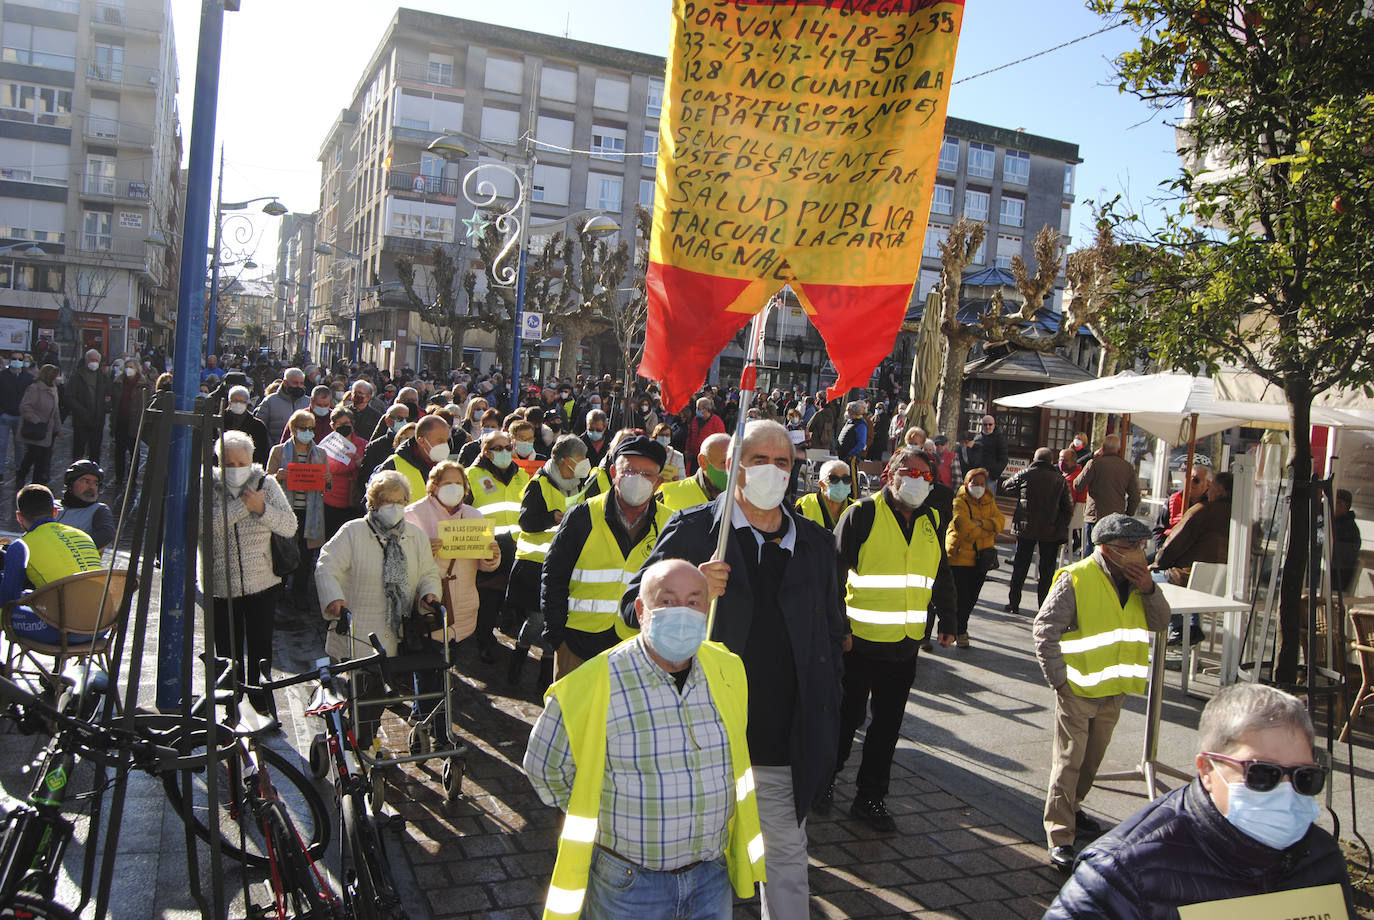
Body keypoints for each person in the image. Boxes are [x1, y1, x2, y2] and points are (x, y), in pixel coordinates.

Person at [622, 420, 845, 920]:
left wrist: (828, 710)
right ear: (733, 466)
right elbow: (629, 607)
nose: (771, 471)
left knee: (786, 860)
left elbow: (831, 633)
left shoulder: (814, 542)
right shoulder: (698, 529)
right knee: (699, 868)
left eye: (782, 462)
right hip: (701, 739)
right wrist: (687, 592)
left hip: (782, 742)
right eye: (759, 460)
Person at [524, 560, 765, 920]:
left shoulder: (728, 670)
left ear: (708, 607)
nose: (681, 612)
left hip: (710, 877)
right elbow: (544, 768)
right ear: (641, 610)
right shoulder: (590, 685)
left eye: (694, 601)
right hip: (630, 884)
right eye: (667, 602)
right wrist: (597, 805)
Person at [1045, 682, 1354, 918]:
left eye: (1304, 777)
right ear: (1207, 770)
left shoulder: (1322, 859)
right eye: (1263, 774)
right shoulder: (1122, 873)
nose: (1286, 794)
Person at [1033, 513, 1171, 871]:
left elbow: (1161, 623)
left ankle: (1074, 809)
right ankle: (1060, 835)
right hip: (1078, 688)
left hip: (1114, 689)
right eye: (1130, 548)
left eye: (1142, 546)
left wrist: (1150, 590)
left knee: (1091, 763)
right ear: (1108, 550)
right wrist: (1059, 682)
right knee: (1069, 762)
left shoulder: (1140, 581)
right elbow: (1044, 631)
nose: (1140, 554)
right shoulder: (1076, 578)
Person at [829, 447, 957, 829]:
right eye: (909, 471)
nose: (916, 480)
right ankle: (823, 780)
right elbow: (831, 577)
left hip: (904, 646)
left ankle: (871, 799)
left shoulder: (932, 519)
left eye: (925, 475)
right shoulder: (862, 514)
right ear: (890, 473)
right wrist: (841, 629)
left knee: (887, 727)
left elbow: (941, 574)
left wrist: (949, 619)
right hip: (859, 643)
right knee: (846, 718)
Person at [316, 470, 442, 745]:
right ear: (373, 501)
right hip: (359, 628)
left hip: (398, 630)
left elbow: (428, 572)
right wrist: (334, 598)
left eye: (400, 500)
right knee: (368, 690)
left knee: (382, 690)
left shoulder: (415, 536)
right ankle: (363, 743)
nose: (394, 506)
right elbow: (327, 565)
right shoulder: (353, 532)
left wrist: (430, 594)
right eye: (387, 500)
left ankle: (361, 736)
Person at [542, 435, 669, 679]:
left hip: (639, 650)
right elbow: (554, 576)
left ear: (658, 482)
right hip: (577, 646)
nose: (637, 479)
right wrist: (557, 637)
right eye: (629, 471)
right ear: (613, 472)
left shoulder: (669, 523)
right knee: (572, 715)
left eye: (647, 474)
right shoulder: (583, 515)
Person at [202, 431, 296, 720]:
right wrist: (244, 506)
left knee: (260, 648)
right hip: (220, 585)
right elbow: (206, 526)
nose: (235, 467)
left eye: (240, 462)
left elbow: (289, 525)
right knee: (226, 652)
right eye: (228, 463)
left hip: (262, 581)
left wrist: (262, 509)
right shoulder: (207, 486)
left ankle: (262, 705)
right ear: (219, 462)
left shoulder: (265, 484)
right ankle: (230, 708)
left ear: (251, 460)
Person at [507, 434, 590, 691]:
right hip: (535, 565)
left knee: (554, 621)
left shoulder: (578, 483)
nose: (584, 464)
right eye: (580, 459)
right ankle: (517, 662)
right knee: (537, 621)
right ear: (565, 461)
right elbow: (526, 522)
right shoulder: (539, 483)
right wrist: (552, 517)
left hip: (565, 565)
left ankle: (545, 676)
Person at [404, 461, 500, 647]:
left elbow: (484, 564)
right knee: (430, 664)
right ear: (434, 485)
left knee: (454, 655)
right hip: (430, 605)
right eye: (448, 483)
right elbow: (402, 562)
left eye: (459, 483)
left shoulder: (475, 516)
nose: (454, 488)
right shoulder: (412, 514)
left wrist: (492, 557)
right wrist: (423, 552)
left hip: (465, 605)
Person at [0, 485, 103, 646]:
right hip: (102, 625)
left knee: (5, 610)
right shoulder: (83, 535)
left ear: (19, 517)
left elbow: (7, 601)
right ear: (55, 511)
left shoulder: (21, 546)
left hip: (64, 631)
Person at [466, 428, 532, 661]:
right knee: (488, 599)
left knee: (512, 597)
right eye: (498, 448)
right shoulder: (471, 476)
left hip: (516, 546)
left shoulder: (521, 476)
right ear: (486, 451)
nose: (504, 452)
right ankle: (484, 640)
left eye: (507, 447)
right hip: (487, 546)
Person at [1156, 471, 1233, 645]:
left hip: (1188, 579)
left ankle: (1179, 628)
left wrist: (1156, 564)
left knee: (1145, 580)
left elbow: (1172, 545)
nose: (1208, 490)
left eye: (1210, 486)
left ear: (1219, 490)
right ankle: (1191, 626)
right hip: (1221, 582)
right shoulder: (1239, 516)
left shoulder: (1202, 510)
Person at [266, 409, 331, 610]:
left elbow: (326, 484)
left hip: (310, 513)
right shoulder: (278, 451)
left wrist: (327, 481)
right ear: (294, 429)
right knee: (283, 550)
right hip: (286, 511)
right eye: (304, 428)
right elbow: (267, 481)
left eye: (311, 429)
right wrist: (278, 476)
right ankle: (280, 589)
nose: (308, 432)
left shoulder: (320, 453)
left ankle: (299, 593)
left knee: (305, 553)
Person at [1004, 447, 1073, 615]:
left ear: (1035, 459)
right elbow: (1068, 506)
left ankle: (1014, 603)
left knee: (1020, 566)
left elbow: (1006, 486)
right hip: (1050, 530)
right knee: (1047, 570)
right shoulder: (1059, 480)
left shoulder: (1026, 474)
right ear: (1051, 461)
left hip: (1025, 527)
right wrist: (1061, 524)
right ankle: (1044, 605)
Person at [945, 468, 1006, 647]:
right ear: (967, 484)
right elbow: (963, 528)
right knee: (960, 597)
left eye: (981, 484)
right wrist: (988, 528)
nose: (978, 487)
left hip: (982, 558)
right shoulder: (958, 502)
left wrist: (980, 523)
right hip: (959, 557)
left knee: (972, 598)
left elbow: (1001, 522)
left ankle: (959, 627)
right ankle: (959, 630)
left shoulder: (989, 500)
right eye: (974, 484)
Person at [1074, 434, 1141, 549]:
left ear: (1103, 447)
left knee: (1092, 551)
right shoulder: (1127, 467)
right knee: (1111, 552)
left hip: (1095, 515)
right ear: (1118, 449)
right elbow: (1135, 495)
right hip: (1116, 517)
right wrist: (1128, 512)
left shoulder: (1094, 464)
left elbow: (1078, 485)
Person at [377, 414, 451, 503]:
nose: (445, 445)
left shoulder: (447, 469)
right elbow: (376, 505)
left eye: (446, 440)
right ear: (421, 441)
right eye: (440, 441)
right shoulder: (393, 466)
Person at [320, 406, 367, 538]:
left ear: (352, 424)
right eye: (339, 424)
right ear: (333, 426)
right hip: (332, 500)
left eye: (346, 423)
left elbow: (368, 465)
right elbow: (330, 466)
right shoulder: (326, 445)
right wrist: (354, 463)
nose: (343, 427)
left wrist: (361, 463)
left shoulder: (363, 444)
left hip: (355, 499)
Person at [658, 431, 729, 512]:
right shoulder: (669, 495)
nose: (731, 469)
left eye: (736, 463)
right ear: (703, 462)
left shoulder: (742, 498)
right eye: (724, 462)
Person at [16, 364, 62, 488]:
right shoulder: (34, 388)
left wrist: (58, 428)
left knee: (43, 457)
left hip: (48, 430)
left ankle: (38, 483)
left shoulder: (54, 389)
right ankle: (21, 475)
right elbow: (25, 407)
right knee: (32, 454)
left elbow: (55, 411)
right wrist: (36, 420)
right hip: (35, 429)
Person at [55, 460, 115, 551]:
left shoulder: (99, 510)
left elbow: (106, 535)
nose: (92, 487)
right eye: (86, 482)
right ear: (71, 484)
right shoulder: (52, 505)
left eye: (95, 483)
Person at [1153, 463, 1210, 554]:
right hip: (1168, 552)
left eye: (1195, 480)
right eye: (1188, 478)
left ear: (1208, 484)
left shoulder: (1211, 506)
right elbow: (1158, 530)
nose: (1190, 483)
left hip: (1195, 556)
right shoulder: (1173, 499)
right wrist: (1162, 549)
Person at [110, 361, 150, 490]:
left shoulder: (142, 384)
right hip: (121, 421)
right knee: (119, 452)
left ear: (137, 369)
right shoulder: (118, 382)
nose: (129, 370)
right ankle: (119, 477)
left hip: (135, 423)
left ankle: (132, 479)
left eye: (131, 367)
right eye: (127, 367)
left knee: (134, 453)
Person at [67, 348, 110, 462]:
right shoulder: (77, 376)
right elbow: (69, 397)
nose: (94, 362)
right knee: (78, 451)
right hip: (81, 421)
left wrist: (105, 407)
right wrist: (81, 411)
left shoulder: (103, 377)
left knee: (95, 451)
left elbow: (109, 396)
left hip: (97, 420)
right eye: (92, 360)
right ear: (86, 360)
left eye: (96, 360)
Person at [794, 459, 853, 531]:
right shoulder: (805, 505)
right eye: (834, 479)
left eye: (846, 479)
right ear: (821, 484)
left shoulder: (856, 508)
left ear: (850, 484)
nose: (840, 484)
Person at [360, 403, 410, 486]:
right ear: (388, 421)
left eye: (407, 419)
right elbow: (364, 478)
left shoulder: (414, 444)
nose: (404, 422)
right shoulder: (375, 447)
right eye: (399, 419)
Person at [0, 354, 33, 477]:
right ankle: (0, 471)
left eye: (20, 359)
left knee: (19, 445)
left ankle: (20, 469)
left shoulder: (27, 377)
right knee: (1, 445)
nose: (17, 361)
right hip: (4, 416)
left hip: (20, 416)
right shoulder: (2, 376)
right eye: (14, 358)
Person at [254, 366, 309, 436]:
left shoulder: (308, 402)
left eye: (301, 383)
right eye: (295, 383)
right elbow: (259, 427)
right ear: (285, 383)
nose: (299, 386)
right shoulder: (270, 401)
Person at [223, 384, 270, 466]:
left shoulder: (258, 426)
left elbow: (263, 453)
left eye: (242, 402)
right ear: (229, 402)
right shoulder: (219, 421)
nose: (238, 404)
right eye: (235, 401)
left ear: (247, 403)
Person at [1059, 447, 1089, 563]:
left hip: (1068, 521)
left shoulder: (1071, 481)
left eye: (1064, 460)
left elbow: (1067, 504)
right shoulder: (1081, 476)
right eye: (1060, 460)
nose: (1061, 463)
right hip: (1080, 520)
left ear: (1074, 462)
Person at [684, 396, 725, 474]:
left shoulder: (717, 422)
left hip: (708, 460)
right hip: (694, 457)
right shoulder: (695, 420)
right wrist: (688, 450)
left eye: (698, 408)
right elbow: (690, 436)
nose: (697, 410)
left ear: (706, 409)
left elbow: (721, 440)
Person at [969, 415, 1008, 495]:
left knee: (988, 499)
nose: (988, 427)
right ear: (982, 425)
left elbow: (1004, 459)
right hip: (977, 475)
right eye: (985, 424)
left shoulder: (999, 439)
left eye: (990, 424)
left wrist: (993, 473)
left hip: (990, 476)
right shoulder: (977, 438)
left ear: (994, 425)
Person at [1332, 488, 1361, 593]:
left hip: (1335, 579)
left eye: (1339, 503)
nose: (1336, 505)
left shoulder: (1349, 529)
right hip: (1323, 574)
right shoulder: (1328, 522)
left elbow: (1340, 559)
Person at [836, 400, 868, 483]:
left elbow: (861, 443)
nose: (846, 412)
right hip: (843, 455)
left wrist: (851, 454)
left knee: (852, 479)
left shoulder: (860, 424)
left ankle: (854, 495)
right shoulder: (850, 422)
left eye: (848, 410)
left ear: (852, 411)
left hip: (851, 457)